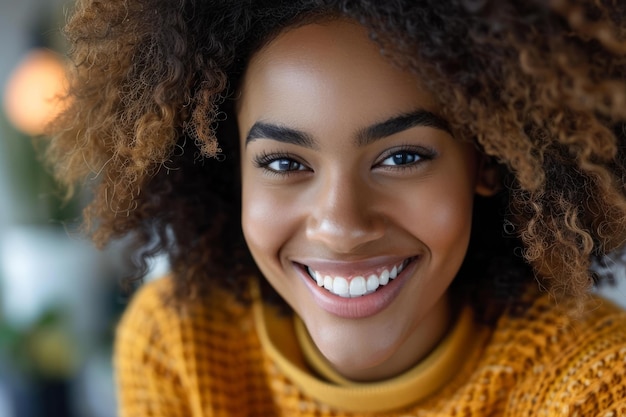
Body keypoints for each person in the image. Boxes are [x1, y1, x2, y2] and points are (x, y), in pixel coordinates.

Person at [47, 0, 626, 415]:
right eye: (283, 163)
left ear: (489, 160)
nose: (342, 226)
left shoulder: (596, 385)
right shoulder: (179, 348)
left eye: (401, 158)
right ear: (226, 165)